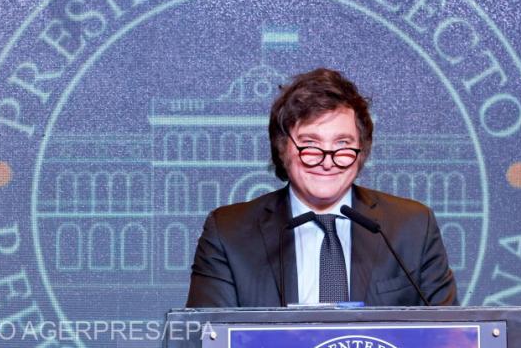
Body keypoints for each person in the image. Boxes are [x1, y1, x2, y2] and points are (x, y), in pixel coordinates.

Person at [186, 68, 457, 307]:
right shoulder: (228, 233)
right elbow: (206, 336)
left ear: (362, 151)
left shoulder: (412, 227)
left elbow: (450, 335)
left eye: (342, 144)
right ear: (282, 148)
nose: (327, 161)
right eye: (310, 144)